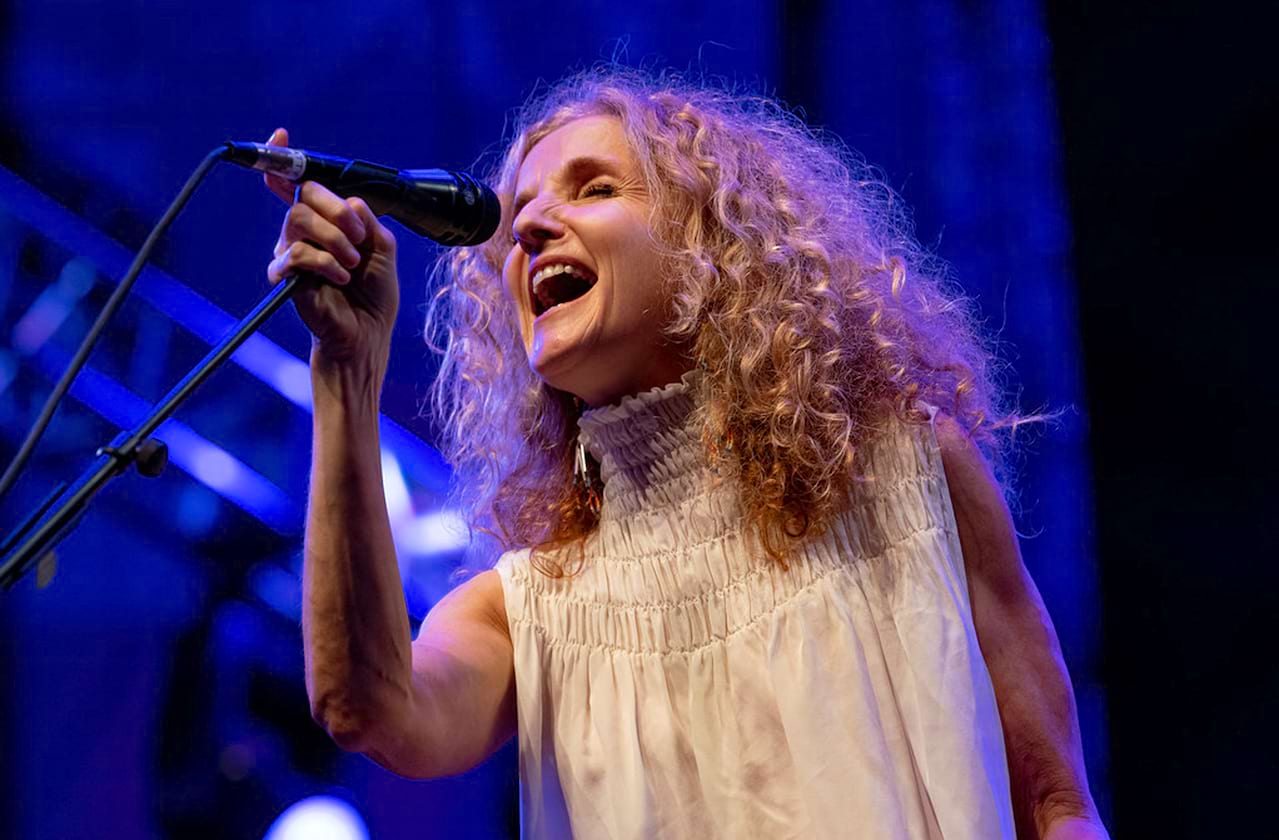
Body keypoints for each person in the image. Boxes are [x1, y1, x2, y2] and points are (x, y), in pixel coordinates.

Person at [263, 69, 1109, 839]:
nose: (530, 227)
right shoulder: (525, 613)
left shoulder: (904, 471)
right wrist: (348, 369)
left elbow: (1055, 806)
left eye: (593, 189)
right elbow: (367, 708)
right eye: (518, 218)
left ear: (712, 246)